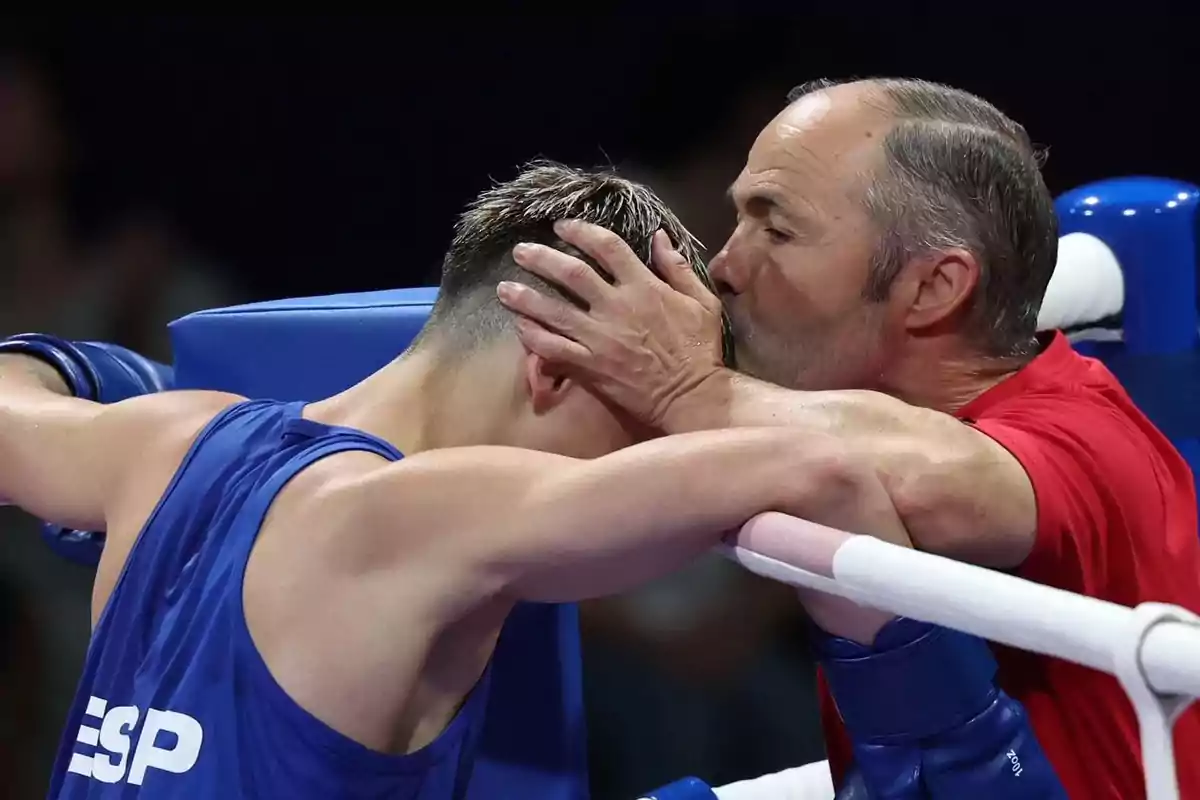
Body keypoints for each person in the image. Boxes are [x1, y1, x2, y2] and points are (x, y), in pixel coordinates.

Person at [0, 161, 927, 799]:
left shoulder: (157, 443)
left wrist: (99, 378)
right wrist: (695, 389)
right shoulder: (435, 517)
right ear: (555, 369)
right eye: (644, 417)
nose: (648, 448)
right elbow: (824, 466)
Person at [496, 78, 1200, 798]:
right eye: (740, 219)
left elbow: (945, 481)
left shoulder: (1083, 437)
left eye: (777, 230)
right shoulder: (857, 413)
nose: (727, 267)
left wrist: (689, 391)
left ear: (933, 289)